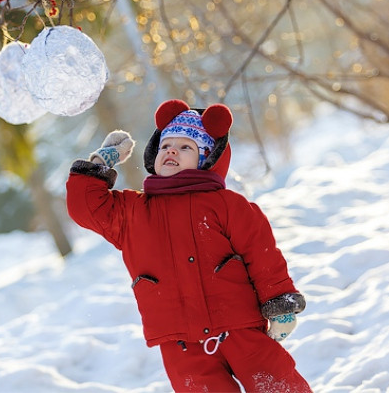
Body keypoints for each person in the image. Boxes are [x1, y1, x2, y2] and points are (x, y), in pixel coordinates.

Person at [66, 99, 312, 393]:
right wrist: (100, 163)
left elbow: (262, 255)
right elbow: (85, 207)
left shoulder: (228, 206)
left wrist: (280, 303)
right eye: (166, 144)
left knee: (278, 385)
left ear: (207, 158)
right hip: (181, 344)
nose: (172, 150)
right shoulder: (133, 212)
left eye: (186, 147)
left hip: (240, 327)